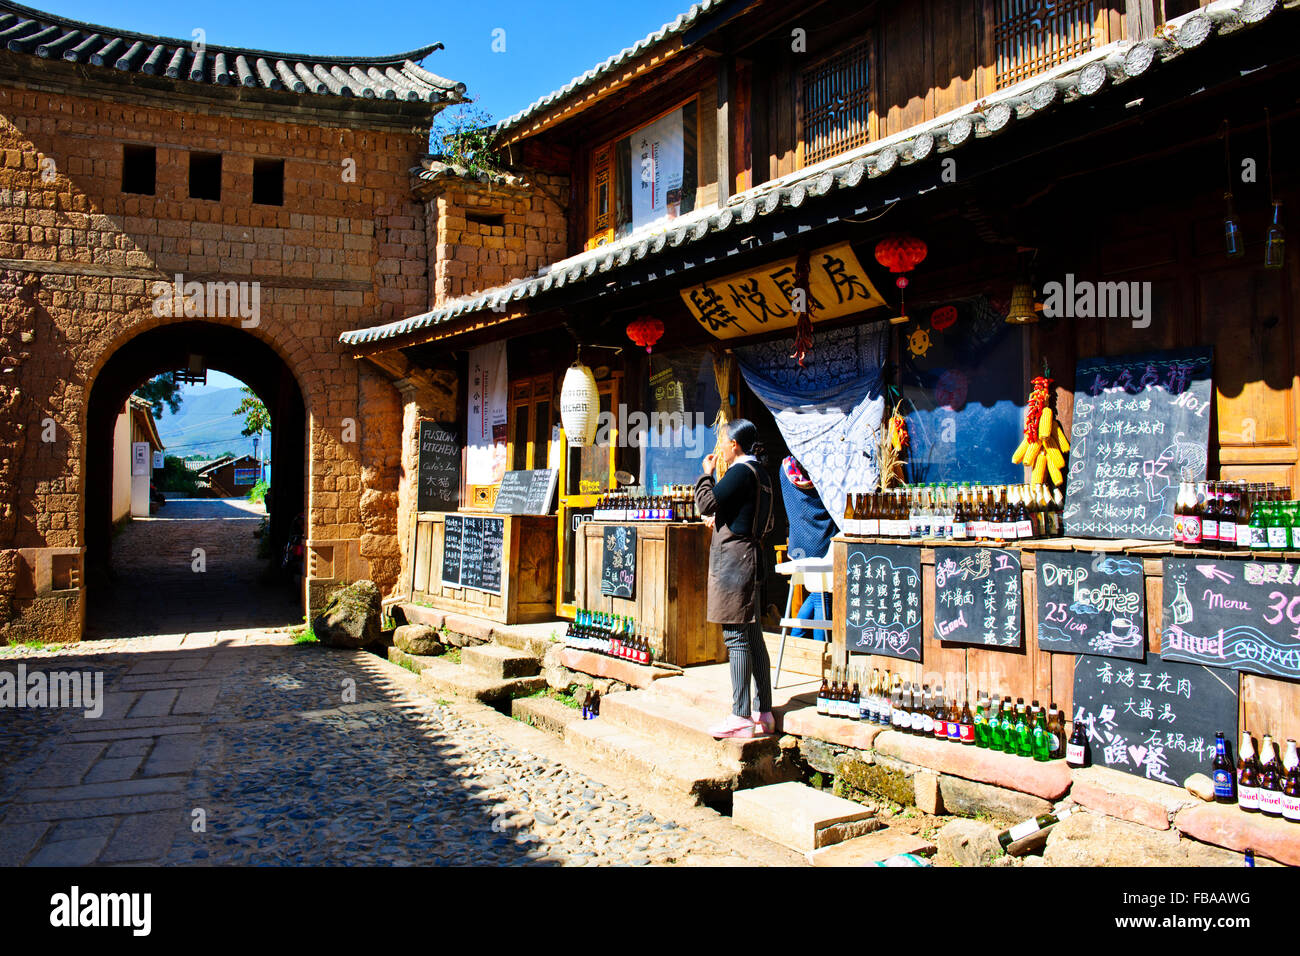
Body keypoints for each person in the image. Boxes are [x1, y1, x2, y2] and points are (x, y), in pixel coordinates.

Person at [694, 419, 776, 739]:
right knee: (753, 636)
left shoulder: (740, 471)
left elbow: (706, 502)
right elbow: (747, 516)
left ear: (735, 445)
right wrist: (721, 521)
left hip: (734, 565)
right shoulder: (762, 474)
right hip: (752, 558)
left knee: (736, 638)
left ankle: (741, 715)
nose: (721, 446)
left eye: (724, 441)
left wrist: (706, 474)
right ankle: (763, 711)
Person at [779, 457, 834, 640]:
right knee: (822, 596)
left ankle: (796, 638)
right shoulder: (823, 469)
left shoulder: (785, 469)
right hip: (823, 539)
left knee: (816, 593)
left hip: (799, 541)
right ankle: (821, 649)